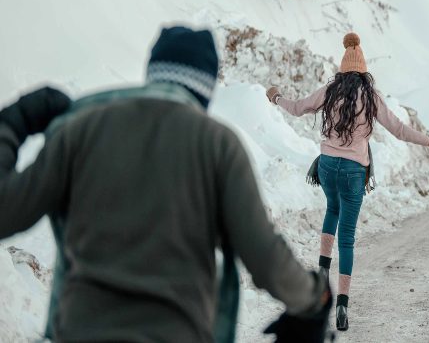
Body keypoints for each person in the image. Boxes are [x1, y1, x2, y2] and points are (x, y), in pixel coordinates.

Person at [0, 26, 330, 342]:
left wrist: (12, 125)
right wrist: (313, 298)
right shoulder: (217, 145)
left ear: (152, 72)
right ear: (207, 89)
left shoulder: (81, 130)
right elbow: (264, 256)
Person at [266, 32, 429, 331]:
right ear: (364, 70)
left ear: (342, 68)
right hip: (353, 172)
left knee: (331, 210)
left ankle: (322, 280)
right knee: (347, 237)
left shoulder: (330, 90)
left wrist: (276, 97)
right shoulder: (371, 96)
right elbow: (399, 130)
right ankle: (342, 307)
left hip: (326, 166)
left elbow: (298, 108)